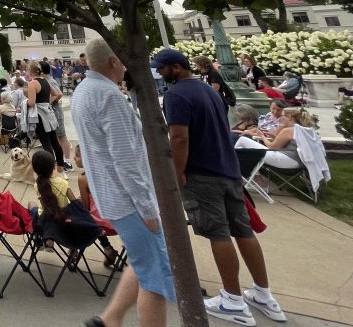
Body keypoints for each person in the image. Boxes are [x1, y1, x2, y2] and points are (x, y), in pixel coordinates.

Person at [157, 48, 287, 326]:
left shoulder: (176, 94)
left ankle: (233, 300)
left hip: (202, 173)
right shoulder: (209, 91)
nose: (159, 72)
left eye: (163, 68)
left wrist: (176, 173)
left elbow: (179, 137)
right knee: (242, 230)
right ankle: (264, 295)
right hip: (228, 169)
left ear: (176, 68)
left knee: (218, 233)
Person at [74, 38, 174, 327]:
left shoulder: (84, 90)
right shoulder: (107, 95)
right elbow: (125, 159)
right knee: (154, 278)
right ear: (113, 62)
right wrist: (146, 207)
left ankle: (110, 318)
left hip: (110, 193)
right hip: (127, 198)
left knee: (144, 261)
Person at [234, 107, 315, 169]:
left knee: (243, 140)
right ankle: (252, 175)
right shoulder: (301, 129)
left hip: (287, 160)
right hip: (297, 161)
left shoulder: (288, 130)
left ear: (290, 117)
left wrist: (261, 135)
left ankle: (230, 167)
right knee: (246, 151)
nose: (280, 118)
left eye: (282, 116)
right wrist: (272, 136)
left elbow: (272, 146)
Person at [27, 61, 69, 170]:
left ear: (31, 71)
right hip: (49, 113)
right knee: (54, 141)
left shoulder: (33, 83)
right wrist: (47, 103)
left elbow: (31, 102)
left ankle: (51, 169)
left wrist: (24, 103)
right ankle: (60, 167)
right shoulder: (45, 81)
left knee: (46, 143)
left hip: (40, 116)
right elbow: (57, 94)